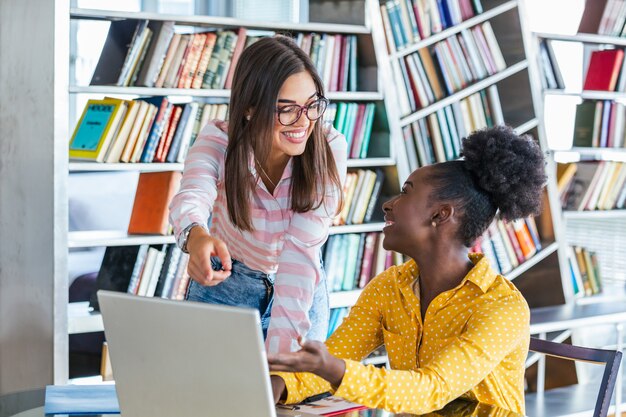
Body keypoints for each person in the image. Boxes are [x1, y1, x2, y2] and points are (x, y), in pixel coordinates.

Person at [268, 125, 546, 415]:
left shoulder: (502, 307)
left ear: (440, 214)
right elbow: (333, 357)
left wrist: (333, 370)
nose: (388, 205)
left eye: (405, 193)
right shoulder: (389, 287)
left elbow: (432, 389)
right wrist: (276, 386)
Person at [169, 35, 347, 353]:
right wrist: (195, 238)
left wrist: (282, 360)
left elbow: (300, 253)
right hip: (226, 287)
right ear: (250, 108)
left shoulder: (329, 147)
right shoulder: (219, 140)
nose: (303, 121)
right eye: (286, 110)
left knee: (293, 397)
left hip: (302, 287)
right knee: (209, 397)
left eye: (312, 105)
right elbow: (193, 194)